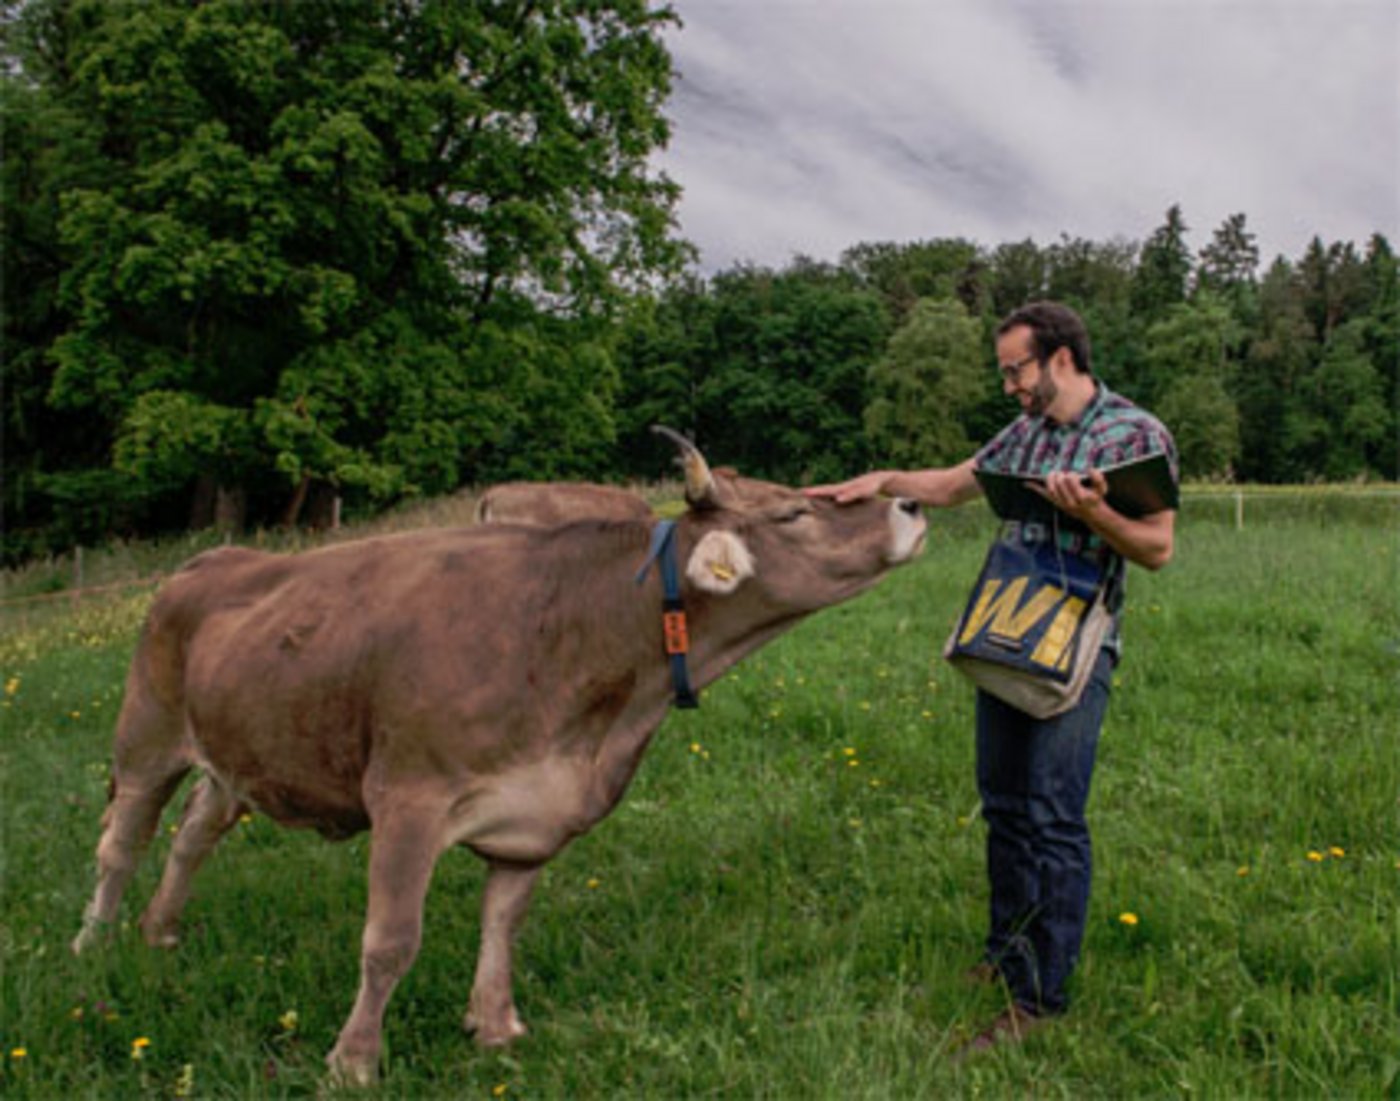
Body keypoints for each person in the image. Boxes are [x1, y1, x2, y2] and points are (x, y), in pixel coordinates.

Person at [805, 300, 1178, 1050]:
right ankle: (1006, 952)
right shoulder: (1027, 433)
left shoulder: (1133, 434)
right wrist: (878, 481)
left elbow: (1157, 547)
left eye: (1017, 370)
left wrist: (1095, 514)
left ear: (1060, 359)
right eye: (1005, 371)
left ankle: (1041, 998)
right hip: (1008, 631)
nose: (1010, 385)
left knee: (1052, 814)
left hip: (1077, 646)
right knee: (1004, 802)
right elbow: (951, 483)